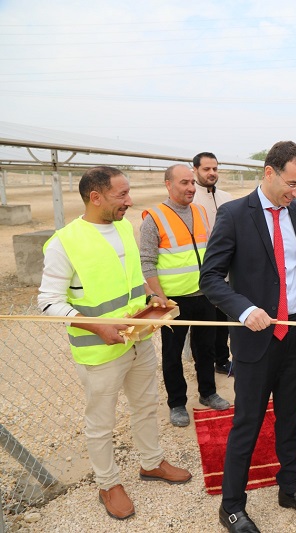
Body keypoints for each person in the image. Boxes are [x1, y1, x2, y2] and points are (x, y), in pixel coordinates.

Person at [38, 166, 191, 520]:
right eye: (121, 195)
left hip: (137, 341)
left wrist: (152, 300)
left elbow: (131, 278)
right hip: (100, 351)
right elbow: (48, 301)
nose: (129, 201)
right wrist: (98, 328)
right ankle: (108, 484)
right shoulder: (65, 242)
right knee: (101, 423)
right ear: (95, 197)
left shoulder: (123, 227)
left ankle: (151, 462)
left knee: (146, 405)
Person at [200, 141, 296, 531]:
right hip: (256, 338)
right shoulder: (234, 214)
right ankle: (231, 506)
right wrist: (244, 309)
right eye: (292, 184)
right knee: (248, 421)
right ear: (269, 172)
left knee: (292, 416)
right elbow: (210, 278)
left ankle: (290, 488)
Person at [140, 165, 230, 428]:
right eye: (184, 183)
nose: (191, 188)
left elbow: (209, 250)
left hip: (204, 295)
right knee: (172, 353)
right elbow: (146, 262)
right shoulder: (154, 218)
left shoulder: (199, 212)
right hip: (172, 300)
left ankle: (208, 392)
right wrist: (158, 297)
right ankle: (177, 403)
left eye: (192, 183)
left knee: (206, 348)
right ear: (168, 184)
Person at [191, 151, 235, 376]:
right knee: (204, 326)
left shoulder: (227, 197)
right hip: (201, 272)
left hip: (226, 269)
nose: (212, 173)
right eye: (206, 169)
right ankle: (203, 366)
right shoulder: (191, 199)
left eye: (215, 169)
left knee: (223, 320)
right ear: (195, 170)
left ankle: (222, 359)